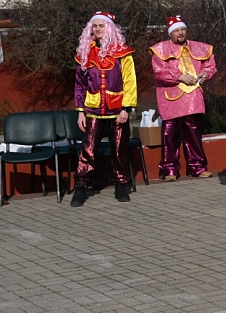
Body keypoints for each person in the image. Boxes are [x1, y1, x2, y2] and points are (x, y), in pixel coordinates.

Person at [71, 11, 137, 207]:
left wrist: (127, 108)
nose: (97, 29)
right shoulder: (86, 53)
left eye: (101, 25)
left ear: (109, 28)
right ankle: (82, 186)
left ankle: (121, 184)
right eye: (95, 26)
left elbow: (130, 82)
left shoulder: (123, 53)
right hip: (93, 111)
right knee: (88, 150)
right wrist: (80, 111)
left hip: (118, 110)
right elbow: (79, 85)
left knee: (119, 149)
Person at [149, 15, 217, 180]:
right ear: (170, 33)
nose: (180, 33)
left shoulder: (199, 47)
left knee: (193, 133)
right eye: (177, 30)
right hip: (171, 97)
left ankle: (198, 167)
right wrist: (179, 76)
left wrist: (205, 74)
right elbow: (159, 71)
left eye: (182, 29)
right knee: (169, 135)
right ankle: (169, 170)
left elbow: (210, 66)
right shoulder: (161, 49)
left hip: (193, 97)